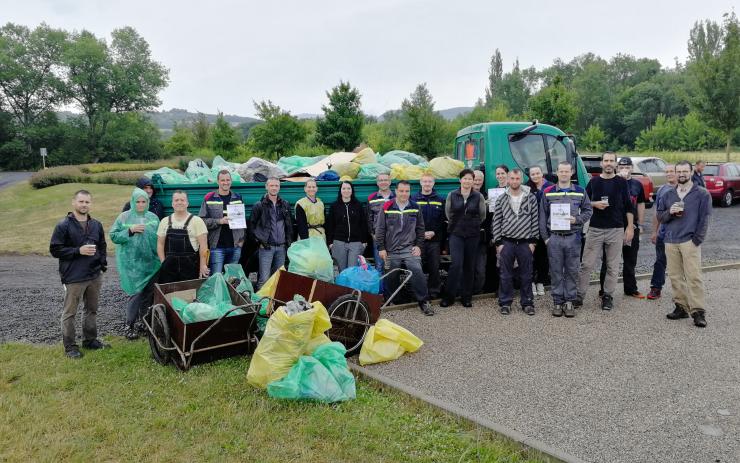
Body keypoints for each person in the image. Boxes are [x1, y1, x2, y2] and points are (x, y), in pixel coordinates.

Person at [49, 190, 109, 359]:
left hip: (94, 275)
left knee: (92, 310)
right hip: (74, 276)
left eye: (87, 202)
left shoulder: (96, 224)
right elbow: (55, 249)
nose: (84, 205)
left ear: (91, 204)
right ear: (74, 202)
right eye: (81, 201)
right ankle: (70, 347)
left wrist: (102, 264)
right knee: (70, 313)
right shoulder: (63, 225)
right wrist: (78, 250)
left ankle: (90, 340)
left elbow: (102, 245)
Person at [577, 152, 635, 311]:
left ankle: (607, 296)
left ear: (615, 164)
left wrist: (630, 227)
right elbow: (584, 203)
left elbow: (629, 206)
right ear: (601, 164)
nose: (608, 163)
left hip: (616, 229)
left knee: (612, 266)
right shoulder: (594, 181)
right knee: (586, 264)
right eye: (606, 160)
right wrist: (595, 204)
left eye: (611, 161)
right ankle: (579, 296)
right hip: (595, 229)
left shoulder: (621, 183)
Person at [659, 161, 712, 328]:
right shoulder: (668, 194)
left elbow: (705, 219)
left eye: (685, 171)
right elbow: (661, 217)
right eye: (679, 171)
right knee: (675, 276)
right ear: (675, 173)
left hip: (690, 241)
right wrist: (670, 212)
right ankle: (681, 307)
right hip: (671, 240)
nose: (681, 174)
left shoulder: (702, 194)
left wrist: (697, 240)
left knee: (694, 277)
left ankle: (698, 312)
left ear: (691, 172)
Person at [539, 162, 592, 318]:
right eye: (561, 171)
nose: (563, 174)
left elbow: (589, 210)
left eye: (566, 171)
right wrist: (546, 238)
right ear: (557, 172)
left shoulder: (580, 192)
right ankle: (557, 301)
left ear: (571, 173)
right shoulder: (547, 192)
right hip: (554, 238)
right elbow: (542, 217)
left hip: (573, 238)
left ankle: (569, 301)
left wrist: (576, 220)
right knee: (555, 271)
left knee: (572, 270)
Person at [110, 188, 161, 339]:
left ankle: (144, 323)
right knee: (135, 294)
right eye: (137, 201)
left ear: (148, 202)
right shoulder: (124, 217)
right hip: (131, 264)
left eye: (143, 201)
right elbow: (113, 236)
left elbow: (160, 238)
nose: (140, 204)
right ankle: (129, 325)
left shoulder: (153, 217)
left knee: (147, 295)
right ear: (132, 202)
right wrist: (130, 231)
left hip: (150, 263)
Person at [375, 180, 433, 316]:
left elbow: (420, 229)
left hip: (409, 249)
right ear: (396, 191)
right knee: (391, 273)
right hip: (391, 250)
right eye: (401, 191)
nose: (404, 194)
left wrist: (419, 246)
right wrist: (381, 248)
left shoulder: (415, 206)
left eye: (407, 191)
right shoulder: (387, 206)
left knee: (417, 270)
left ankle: (423, 301)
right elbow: (380, 229)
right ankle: (396, 300)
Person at [492, 169, 540, 315]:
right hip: (507, 242)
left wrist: (533, 242)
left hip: (525, 243)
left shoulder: (530, 197)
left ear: (521, 179)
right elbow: (497, 221)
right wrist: (498, 242)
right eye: (511, 178)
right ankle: (505, 303)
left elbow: (535, 220)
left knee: (526, 274)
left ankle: (527, 303)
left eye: (517, 178)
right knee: (505, 274)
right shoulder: (501, 198)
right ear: (508, 180)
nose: (514, 181)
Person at [598, 157, 646, 298]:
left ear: (632, 168)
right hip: (613, 226)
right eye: (622, 167)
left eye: (627, 166)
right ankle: (603, 289)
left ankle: (630, 289)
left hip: (631, 226)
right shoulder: (611, 182)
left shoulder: (637, 184)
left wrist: (640, 224)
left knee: (630, 259)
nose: (625, 169)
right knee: (608, 260)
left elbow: (641, 204)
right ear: (617, 168)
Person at [441, 169, 486, 308]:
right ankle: (449, 296)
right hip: (456, 234)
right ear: (460, 180)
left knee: (469, 266)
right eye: (465, 178)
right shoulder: (452, 195)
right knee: (456, 264)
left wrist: (471, 224)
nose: (467, 181)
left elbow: (482, 215)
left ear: (473, 181)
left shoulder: (478, 196)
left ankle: (467, 297)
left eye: (470, 179)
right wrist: (459, 224)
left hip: (473, 235)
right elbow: (448, 214)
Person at [199, 170, 246, 275]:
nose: (225, 182)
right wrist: (219, 221)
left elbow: (242, 221)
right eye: (223, 180)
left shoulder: (238, 197)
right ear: (218, 181)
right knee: (217, 278)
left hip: (235, 246)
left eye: (228, 180)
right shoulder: (209, 198)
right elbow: (201, 221)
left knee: (233, 279)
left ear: (231, 181)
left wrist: (242, 240)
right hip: (217, 247)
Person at [157, 190, 209, 283]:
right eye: (176, 200)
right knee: (169, 293)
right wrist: (163, 262)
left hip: (190, 266)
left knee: (189, 293)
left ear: (187, 203)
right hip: (169, 267)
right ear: (172, 203)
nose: (179, 202)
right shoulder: (164, 221)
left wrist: (203, 265)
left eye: (182, 200)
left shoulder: (197, 221)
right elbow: (160, 244)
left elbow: (204, 246)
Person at [251, 177, 293, 289]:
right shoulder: (259, 205)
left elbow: (289, 225)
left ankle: (273, 304)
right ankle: (261, 304)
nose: (274, 188)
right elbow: (252, 226)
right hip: (266, 248)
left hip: (281, 248)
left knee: (278, 278)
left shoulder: (285, 204)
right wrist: (259, 242)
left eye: (276, 186)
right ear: (266, 187)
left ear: (279, 187)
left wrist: (288, 242)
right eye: (271, 185)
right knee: (264, 279)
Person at [411, 173, 446, 299]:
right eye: (424, 181)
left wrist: (434, 232)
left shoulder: (440, 199)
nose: (427, 184)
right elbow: (411, 220)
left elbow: (442, 220)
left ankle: (434, 292)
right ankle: (419, 293)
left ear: (433, 183)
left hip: (434, 240)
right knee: (417, 268)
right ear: (420, 183)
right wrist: (421, 234)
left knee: (434, 267)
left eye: (429, 181)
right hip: (418, 240)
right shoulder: (413, 199)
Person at [647, 164, 677, 300]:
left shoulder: (686, 189)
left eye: (672, 171)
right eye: (667, 172)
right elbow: (656, 213)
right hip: (663, 233)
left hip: (680, 234)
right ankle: (656, 288)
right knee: (660, 261)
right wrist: (654, 231)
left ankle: (683, 292)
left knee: (681, 264)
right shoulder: (662, 190)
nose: (669, 174)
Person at [326, 181, 368, 272]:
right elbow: (330, 225)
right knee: (342, 270)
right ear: (340, 190)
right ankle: (342, 286)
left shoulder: (358, 205)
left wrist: (364, 241)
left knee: (352, 270)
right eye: (344, 188)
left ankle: (351, 286)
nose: (346, 190)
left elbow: (363, 224)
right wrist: (330, 242)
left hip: (356, 243)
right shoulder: (334, 206)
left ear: (352, 190)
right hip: (339, 242)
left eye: (348, 188)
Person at [526, 165, 553, 296]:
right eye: (533, 174)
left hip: (547, 227)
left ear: (542, 173)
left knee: (543, 256)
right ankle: (531, 282)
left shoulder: (552, 187)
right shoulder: (526, 188)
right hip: (531, 227)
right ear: (530, 176)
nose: (536, 176)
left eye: (538, 173)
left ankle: (541, 281)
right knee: (530, 256)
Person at [367, 173, 395, 277]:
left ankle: (392, 292)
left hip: (394, 237)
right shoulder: (372, 197)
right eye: (381, 180)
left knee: (392, 266)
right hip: (378, 237)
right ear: (377, 183)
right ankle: (380, 292)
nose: (383, 182)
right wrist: (372, 233)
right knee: (379, 265)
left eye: (386, 180)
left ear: (390, 182)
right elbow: (369, 217)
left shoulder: (396, 196)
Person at [472, 170, 489, 294]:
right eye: (475, 179)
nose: (477, 182)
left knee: (480, 268)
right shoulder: (464, 194)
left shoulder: (488, 195)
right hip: (466, 237)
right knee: (466, 267)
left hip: (482, 238)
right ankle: (466, 291)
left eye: (480, 180)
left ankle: (477, 292)